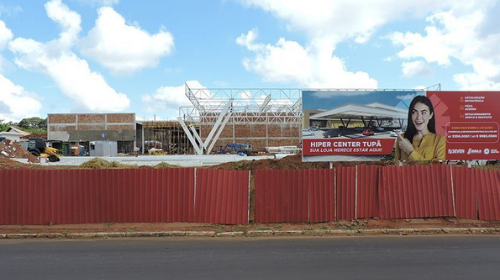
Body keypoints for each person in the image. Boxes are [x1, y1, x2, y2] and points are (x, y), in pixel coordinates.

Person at [395, 95, 446, 161]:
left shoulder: (440, 140)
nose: (419, 117)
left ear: (431, 115)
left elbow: (438, 168)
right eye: (414, 112)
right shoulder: (402, 138)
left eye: (423, 113)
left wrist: (411, 151)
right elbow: (396, 167)